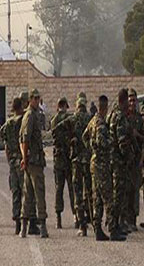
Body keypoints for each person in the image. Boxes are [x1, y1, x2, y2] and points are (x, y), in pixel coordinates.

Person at [84, 95, 125, 241]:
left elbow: (85, 137)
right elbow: (103, 143)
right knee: (108, 198)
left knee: (97, 199)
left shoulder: (92, 121)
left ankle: (97, 229)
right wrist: (111, 142)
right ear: (104, 107)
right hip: (102, 164)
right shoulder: (101, 124)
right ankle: (113, 230)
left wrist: (91, 148)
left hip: (94, 164)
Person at [52, 95, 92, 237]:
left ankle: (62, 218)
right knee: (81, 190)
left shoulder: (67, 119)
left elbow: (55, 131)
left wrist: (67, 140)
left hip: (67, 159)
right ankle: (83, 218)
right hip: (78, 160)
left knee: (66, 189)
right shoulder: (89, 119)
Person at [19, 89, 48, 238]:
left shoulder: (33, 115)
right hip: (33, 162)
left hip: (34, 160)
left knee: (28, 193)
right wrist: (25, 158)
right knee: (38, 193)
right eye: (35, 98)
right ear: (30, 100)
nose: (37, 101)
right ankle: (41, 226)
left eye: (38, 98)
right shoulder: (29, 116)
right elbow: (24, 139)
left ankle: (25, 227)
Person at [107, 88, 132, 238]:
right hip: (119, 162)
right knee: (118, 195)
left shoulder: (112, 115)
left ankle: (115, 225)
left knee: (116, 194)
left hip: (112, 160)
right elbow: (122, 142)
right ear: (123, 101)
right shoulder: (120, 117)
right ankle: (113, 227)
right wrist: (127, 157)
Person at [1, 97, 25, 234]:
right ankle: (27, 219)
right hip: (22, 159)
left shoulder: (8, 123)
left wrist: (9, 155)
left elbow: (3, 139)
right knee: (26, 191)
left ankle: (17, 221)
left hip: (12, 161)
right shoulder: (23, 121)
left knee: (15, 191)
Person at [50, 97, 75, 229]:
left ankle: (58, 218)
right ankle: (76, 216)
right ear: (65, 105)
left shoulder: (54, 120)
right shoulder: (70, 119)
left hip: (58, 158)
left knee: (59, 189)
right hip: (68, 157)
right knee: (72, 188)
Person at [126, 88, 144, 231]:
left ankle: (132, 219)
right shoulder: (123, 117)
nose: (132, 102)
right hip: (124, 160)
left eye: (134, 100)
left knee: (134, 190)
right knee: (123, 190)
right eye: (130, 100)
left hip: (135, 160)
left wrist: (137, 134)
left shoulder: (139, 119)